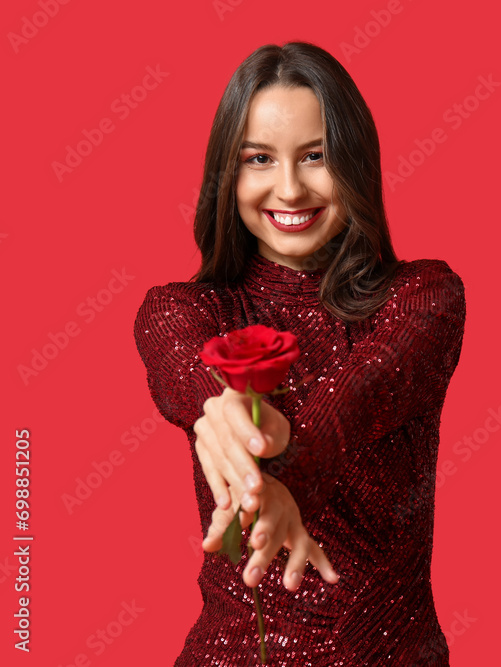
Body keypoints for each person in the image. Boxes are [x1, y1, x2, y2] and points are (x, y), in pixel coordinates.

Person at [132, 41, 466, 666]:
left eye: (316, 156)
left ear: (356, 164)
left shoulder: (425, 297)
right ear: (227, 176)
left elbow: (355, 398)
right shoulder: (180, 310)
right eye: (259, 159)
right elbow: (191, 379)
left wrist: (285, 470)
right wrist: (219, 417)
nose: (289, 189)